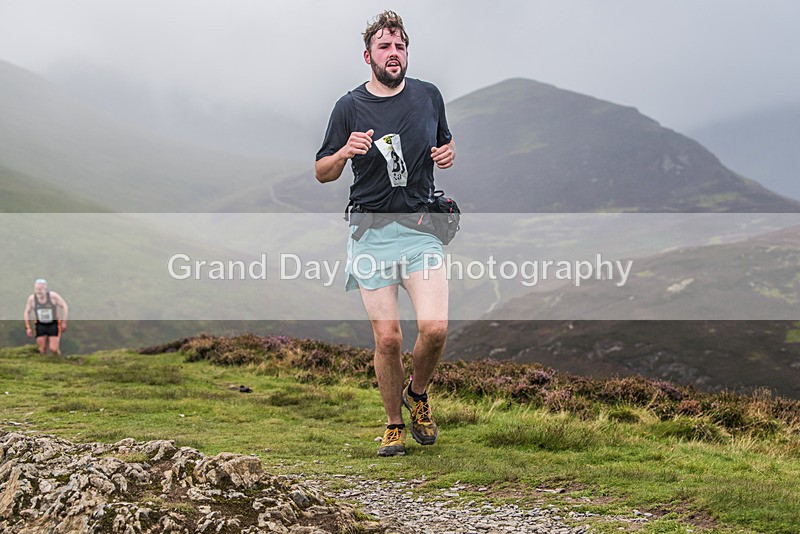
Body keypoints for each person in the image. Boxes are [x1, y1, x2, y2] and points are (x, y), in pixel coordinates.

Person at [315, 11, 456, 456]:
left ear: (406, 53)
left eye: (399, 46)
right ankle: (394, 422)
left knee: (434, 328)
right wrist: (344, 151)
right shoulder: (349, 106)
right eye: (384, 47)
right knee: (389, 338)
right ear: (368, 56)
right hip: (370, 233)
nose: (393, 54)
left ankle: (416, 395)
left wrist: (448, 152)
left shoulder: (429, 96)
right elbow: (322, 171)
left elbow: (444, 143)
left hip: (419, 229)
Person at [24, 278, 68, 355]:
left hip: (53, 324)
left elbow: (64, 306)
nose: (38, 291)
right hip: (40, 324)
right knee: (42, 349)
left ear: (45, 289)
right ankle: (44, 365)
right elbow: (26, 312)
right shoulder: (32, 299)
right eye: (37, 289)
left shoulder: (53, 296)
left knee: (53, 349)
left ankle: (58, 361)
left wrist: (64, 322)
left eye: (40, 289)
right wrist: (28, 327)